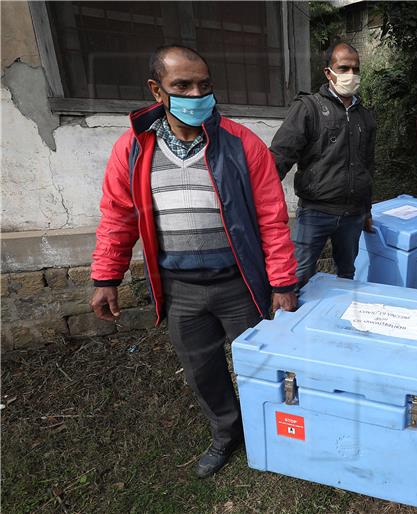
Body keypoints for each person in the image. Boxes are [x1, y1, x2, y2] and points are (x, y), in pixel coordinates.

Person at [89, 45, 298, 479]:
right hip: (181, 289)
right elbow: (117, 214)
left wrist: (282, 283)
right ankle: (227, 433)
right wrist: (106, 275)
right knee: (203, 371)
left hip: (240, 283)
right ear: (157, 91)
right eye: (182, 85)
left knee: (262, 364)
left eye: (204, 85)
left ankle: (275, 433)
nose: (195, 93)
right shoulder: (132, 149)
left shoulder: (244, 145)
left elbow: (272, 218)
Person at [270, 42, 377, 288]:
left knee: (346, 275)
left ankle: (337, 322)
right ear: (328, 73)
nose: (351, 75)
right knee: (297, 276)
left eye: (355, 69)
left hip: (353, 214)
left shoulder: (365, 117)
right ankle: (287, 322)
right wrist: (263, 210)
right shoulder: (309, 108)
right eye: (344, 68)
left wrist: (367, 209)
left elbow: (368, 166)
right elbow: (279, 158)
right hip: (315, 212)